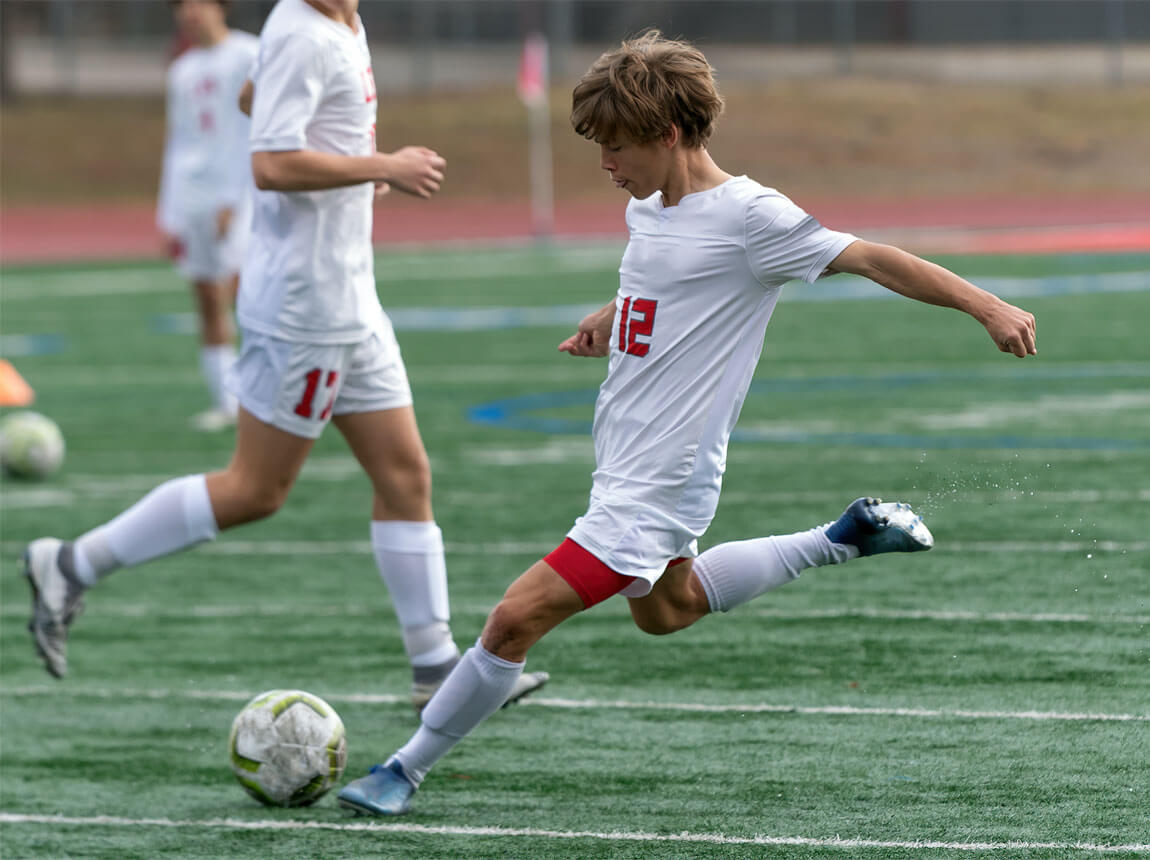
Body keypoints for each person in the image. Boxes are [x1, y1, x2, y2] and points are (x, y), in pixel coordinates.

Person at [335, 30, 1038, 816]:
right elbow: (668, 281)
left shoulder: (751, 216)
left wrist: (987, 305)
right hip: (626, 463)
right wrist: (614, 316)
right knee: (667, 613)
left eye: (617, 145)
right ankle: (838, 539)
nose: (606, 163)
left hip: (659, 480)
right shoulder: (650, 206)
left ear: (668, 134)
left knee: (512, 621)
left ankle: (403, 770)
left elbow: (871, 257)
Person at [22, 0, 548, 712]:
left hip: (349, 298)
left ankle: (435, 668)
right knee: (255, 490)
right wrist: (380, 165)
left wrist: (350, 165)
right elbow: (270, 164)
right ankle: (69, 563)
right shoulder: (303, 29)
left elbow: (253, 97)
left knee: (405, 474)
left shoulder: (328, 22)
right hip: (305, 309)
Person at [157, 0, 257, 432]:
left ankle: (269, 397)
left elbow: (252, 130)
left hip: (243, 194)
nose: (189, 12)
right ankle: (227, 403)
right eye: (181, 6)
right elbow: (178, 142)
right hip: (194, 196)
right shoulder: (182, 70)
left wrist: (233, 198)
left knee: (249, 297)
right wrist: (170, 213)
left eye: (198, 2)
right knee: (206, 299)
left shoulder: (250, 54)